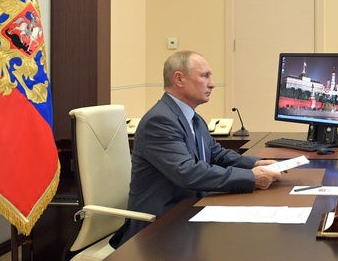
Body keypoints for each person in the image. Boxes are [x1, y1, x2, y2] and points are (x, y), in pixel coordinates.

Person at [111, 51, 281, 247]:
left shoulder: (193, 118)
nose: (212, 84)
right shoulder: (159, 121)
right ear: (179, 79)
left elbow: (216, 154)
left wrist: (257, 163)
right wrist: (251, 178)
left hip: (187, 213)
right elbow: (188, 172)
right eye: (204, 76)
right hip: (158, 229)